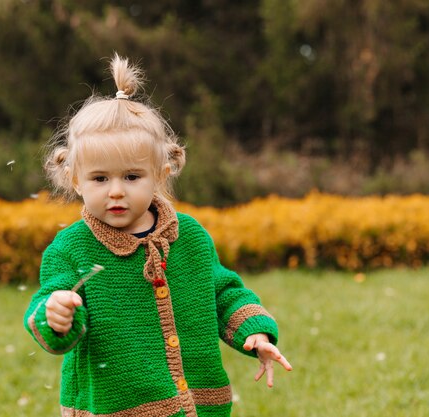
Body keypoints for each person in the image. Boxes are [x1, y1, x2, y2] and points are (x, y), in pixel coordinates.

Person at [24, 53, 292, 417]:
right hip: (116, 407)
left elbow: (223, 293)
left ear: (160, 174)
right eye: (100, 178)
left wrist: (255, 333)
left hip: (200, 399)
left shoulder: (190, 237)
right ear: (75, 180)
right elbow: (47, 309)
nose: (116, 191)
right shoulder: (71, 249)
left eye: (132, 177)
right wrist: (54, 315)